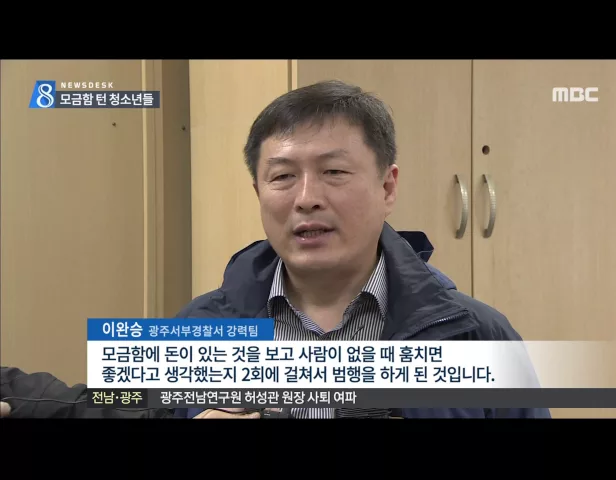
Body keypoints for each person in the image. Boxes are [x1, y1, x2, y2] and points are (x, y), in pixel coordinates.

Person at [1, 79, 551, 419]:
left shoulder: (476, 336)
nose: (306, 198)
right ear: (259, 192)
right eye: (283, 177)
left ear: (388, 186)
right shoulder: (200, 327)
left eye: (334, 172)